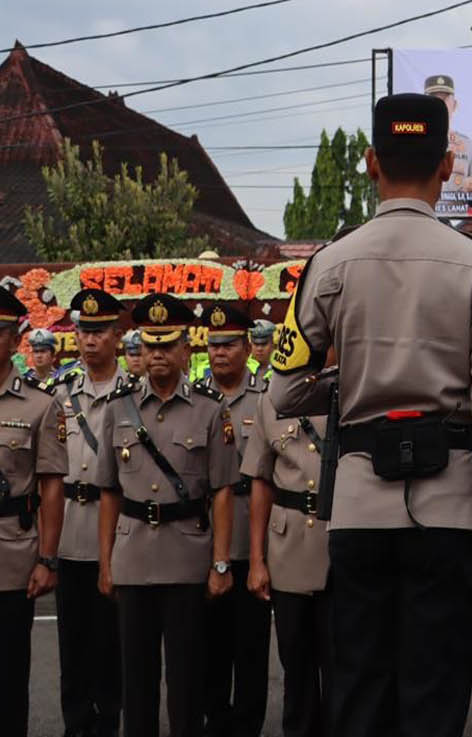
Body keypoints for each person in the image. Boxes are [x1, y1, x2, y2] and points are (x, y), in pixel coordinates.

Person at [267, 92, 472, 737]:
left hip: (359, 509)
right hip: (449, 511)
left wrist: (346, 381)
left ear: (369, 163)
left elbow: (282, 392)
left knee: (359, 687)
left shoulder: (329, 264)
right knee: (436, 692)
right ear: (446, 167)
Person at [95, 293, 239, 737]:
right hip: (133, 559)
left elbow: (221, 492)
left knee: (186, 682)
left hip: (187, 561)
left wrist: (220, 563)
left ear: (185, 350)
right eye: (149, 344)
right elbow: (108, 493)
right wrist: (106, 563)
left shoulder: (210, 410)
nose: (156, 354)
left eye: (167, 344)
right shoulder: (118, 409)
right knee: (135, 682)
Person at [243, 364, 333, 737]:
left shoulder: (352, 390)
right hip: (288, 547)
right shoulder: (272, 398)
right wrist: (256, 560)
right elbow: (261, 482)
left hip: (339, 546)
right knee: (296, 666)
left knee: (346, 667)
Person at [51, 288, 126, 737]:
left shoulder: (133, 395)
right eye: (84, 331)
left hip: (116, 532)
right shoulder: (57, 391)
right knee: (71, 645)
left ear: (117, 335)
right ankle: (76, 725)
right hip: (68, 531)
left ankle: (108, 723)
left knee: (111, 643)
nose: (90, 340)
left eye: (99, 331)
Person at [197, 303, 271, 737]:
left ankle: (247, 725)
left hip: (252, 533)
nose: (220, 352)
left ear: (247, 347)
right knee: (208, 642)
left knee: (251, 644)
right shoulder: (195, 396)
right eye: (213, 344)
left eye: (228, 344)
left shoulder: (266, 396)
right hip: (204, 536)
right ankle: (214, 720)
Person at [0, 287, 67, 737]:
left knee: (8, 678)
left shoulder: (40, 405)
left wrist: (47, 558)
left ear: (14, 338)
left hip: (12, 553)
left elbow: (51, 486)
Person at [423, 74, 472, 203]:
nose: (439, 106)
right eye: (434, 100)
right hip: (423, 220)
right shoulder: (412, 144)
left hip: (455, 221)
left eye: (444, 100)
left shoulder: (468, 146)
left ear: (454, 105)